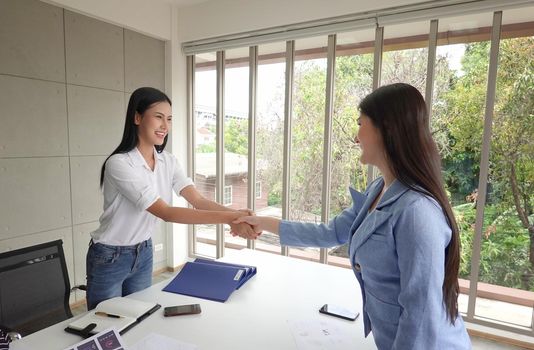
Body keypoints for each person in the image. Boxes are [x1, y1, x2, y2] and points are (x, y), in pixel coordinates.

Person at [234, 83, 471, 349]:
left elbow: (421, 315)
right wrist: (263, 223)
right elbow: (330, 233)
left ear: (387, 129)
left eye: (361, 124)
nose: (356, 137)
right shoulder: (378, 189)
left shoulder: (417, 212)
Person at [86, 87, 258, 310]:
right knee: (104, 324)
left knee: (139, 317)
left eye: (169, 119)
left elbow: (198, 201)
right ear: (137, 117)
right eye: (158, 117)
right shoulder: (119, 164)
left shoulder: (168, 161)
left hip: (143, 252)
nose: (165, 126)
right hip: (109, 257)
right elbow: (166, 212)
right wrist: (229, 219)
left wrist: (236, 215)